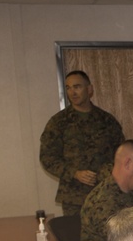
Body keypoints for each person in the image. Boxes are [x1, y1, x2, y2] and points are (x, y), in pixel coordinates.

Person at [39, 70, 125, 216]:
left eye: (77, 87)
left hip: (105, 193)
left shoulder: (107, 120)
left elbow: (121, 154)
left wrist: (106, 173)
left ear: (89, 89)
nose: (72, 92)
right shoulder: (58, 122)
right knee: (74, 237)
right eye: (68, 88)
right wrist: (74, 173)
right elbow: (48, 158)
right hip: (74, 197)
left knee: (108, 237)